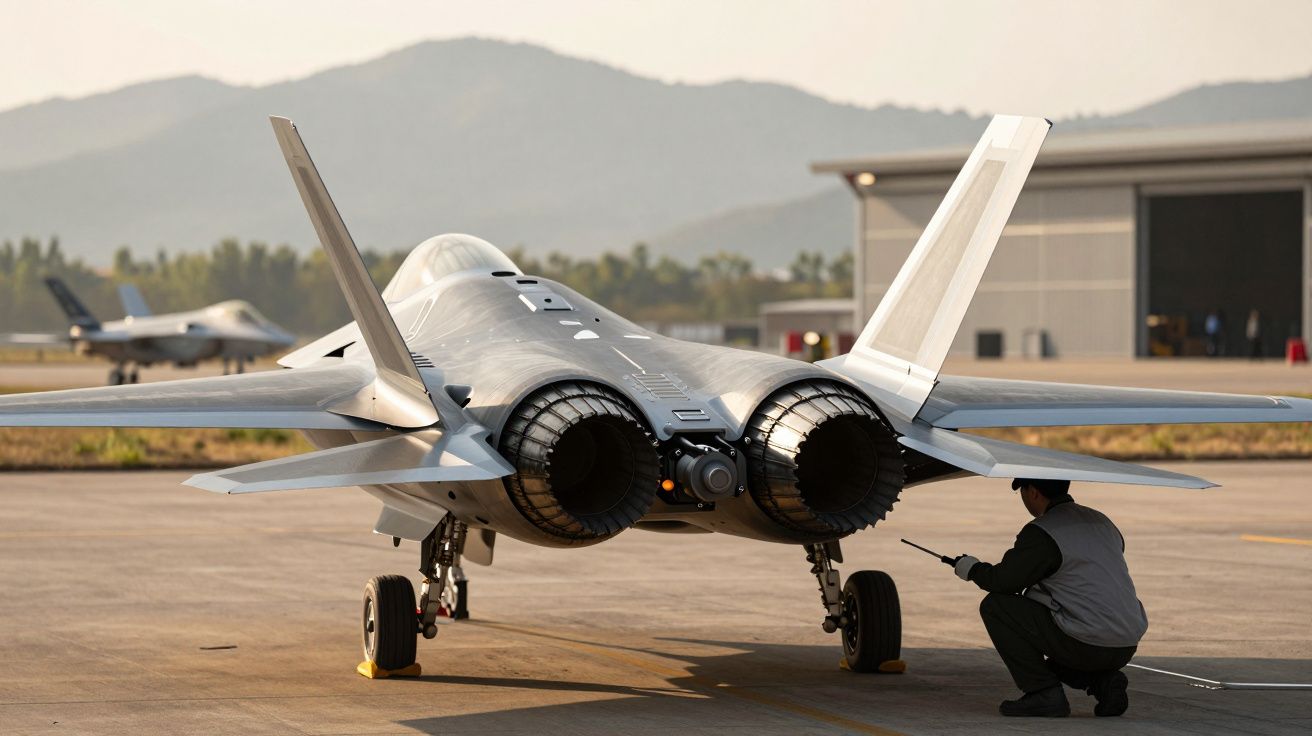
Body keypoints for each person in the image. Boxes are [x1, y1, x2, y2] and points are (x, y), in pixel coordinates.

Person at [950, 478, 1146, 718]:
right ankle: (1102, 681)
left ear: (1033, 492)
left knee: (997, 606)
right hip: (1125, 643)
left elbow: (1004, 582)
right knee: (1053, 651)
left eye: (1022, 491)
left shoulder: (1044, 530)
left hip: (1087, 642)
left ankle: (1043, 693)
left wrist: (972, 569)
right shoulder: (1102, 521)